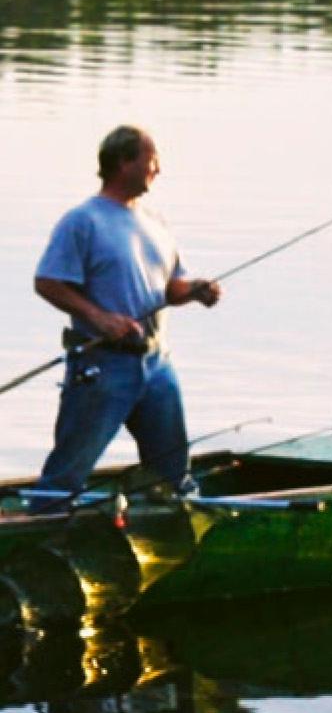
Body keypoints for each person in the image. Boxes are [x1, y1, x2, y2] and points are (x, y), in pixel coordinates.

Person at [31, 128, 222, 505]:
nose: (159, 169)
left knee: (173, 473)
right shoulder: (83, 221)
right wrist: (99, 318)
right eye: (152, 160)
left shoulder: (155, 222)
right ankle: (40, 527)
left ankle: (171, 532)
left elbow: (170, 288)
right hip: (103, 368)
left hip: (157, 365)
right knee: (66, 474)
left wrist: (196, 290)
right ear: (124, 163)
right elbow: (48, 281)